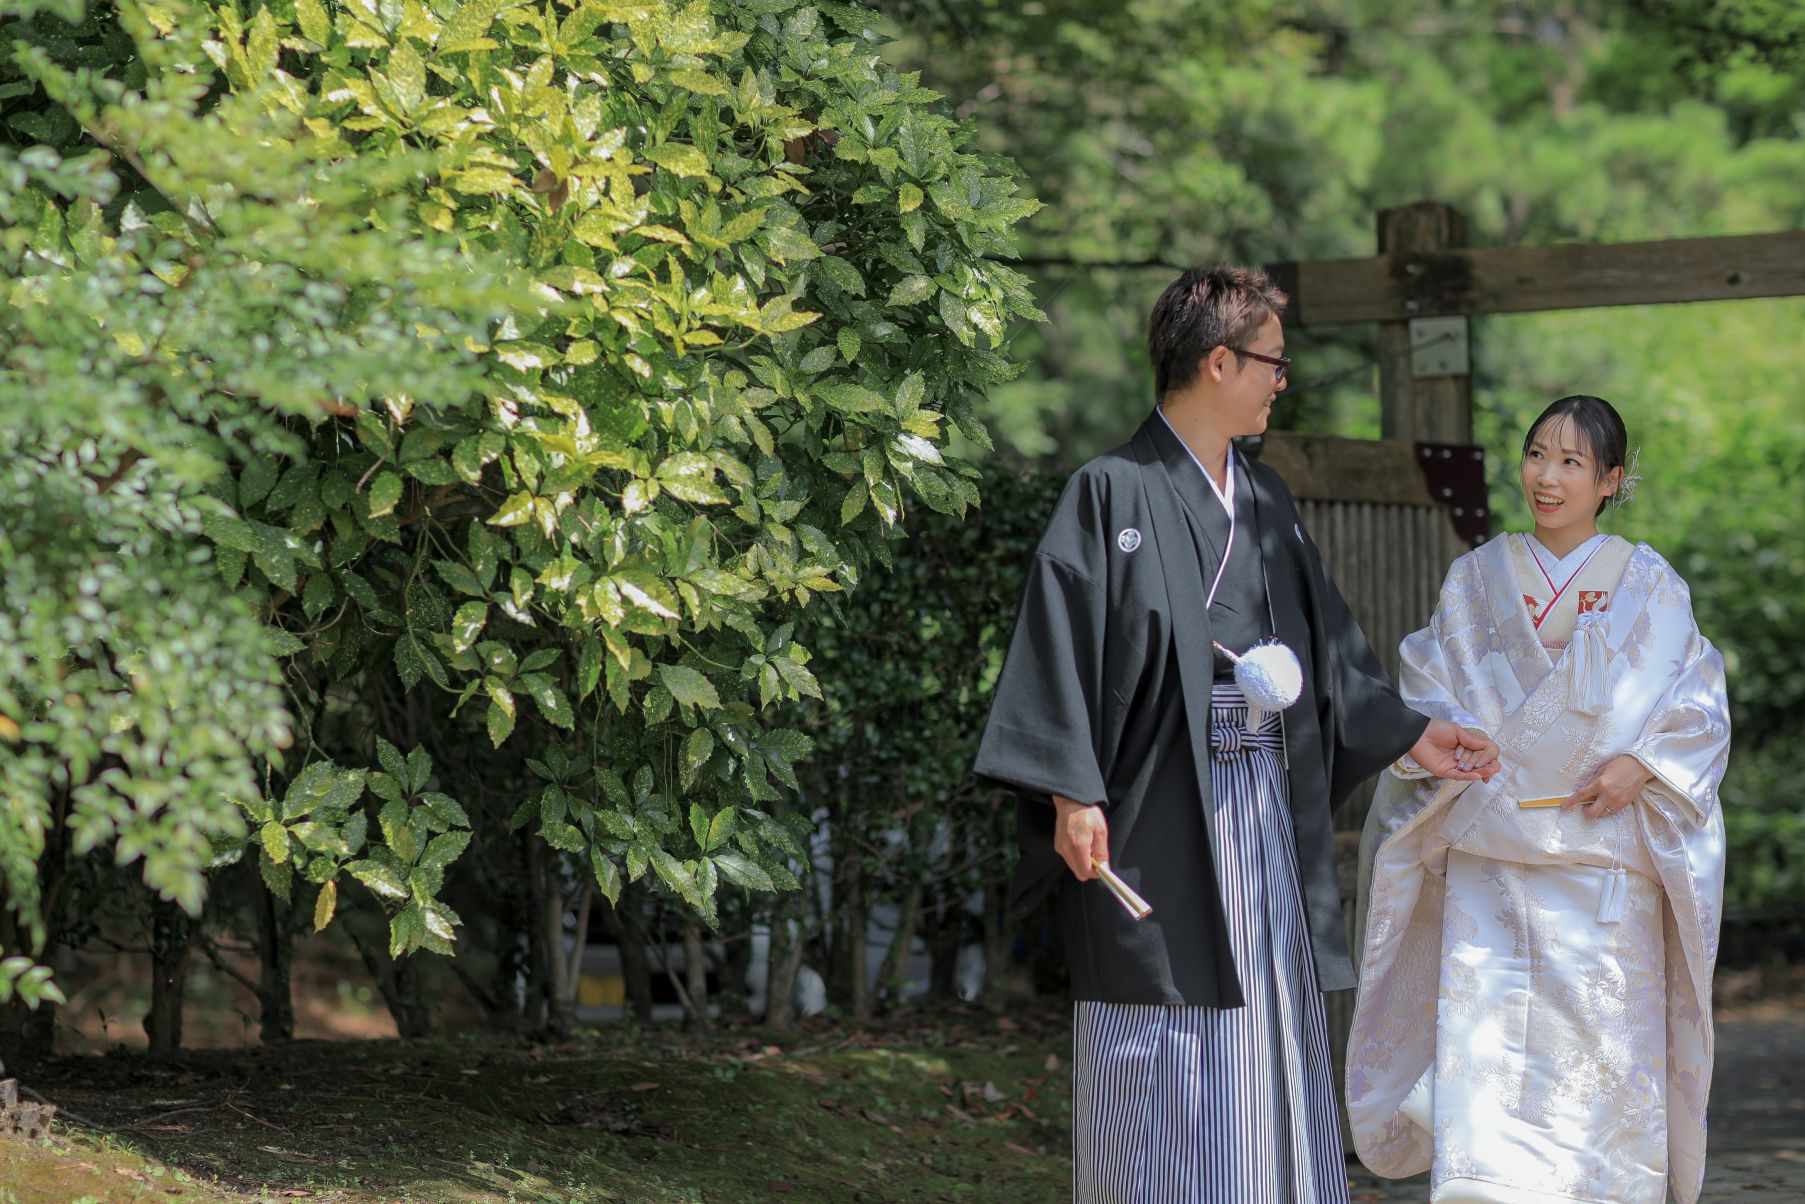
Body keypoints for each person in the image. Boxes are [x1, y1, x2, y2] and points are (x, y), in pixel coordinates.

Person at [973, 264, 1500, 1203]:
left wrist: (1408, 731)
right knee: (1157, 1021)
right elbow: (1059, 647)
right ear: (1219, 362)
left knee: (1267, 1010)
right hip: (1149, 806)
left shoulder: (1262, 500)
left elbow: (1327, 646)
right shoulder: (1109, 492)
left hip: (1259, 805)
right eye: (1272, 363)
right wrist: (1070, 790)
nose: (1278, 382)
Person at [1347, 395, 1731, 1204]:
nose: (1545, 478)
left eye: (1570, 463)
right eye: (1535, 455)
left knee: (1595, 1064)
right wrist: (1457, 739)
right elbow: (1428, 687)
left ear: (1609, 481)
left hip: (1599, 861)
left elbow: (1695, 702)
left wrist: (1644, 765)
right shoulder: (1474, 577)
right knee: (1490, 1061)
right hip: (1491, 856)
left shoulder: (1648, 583)